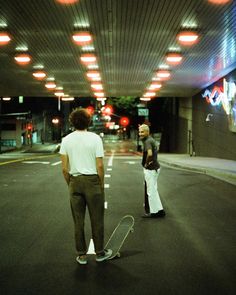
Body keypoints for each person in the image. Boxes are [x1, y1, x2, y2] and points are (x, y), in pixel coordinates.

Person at [59, 108, 112, 264]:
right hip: (92, 182)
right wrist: (100, 184)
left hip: (75, 181)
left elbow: (64, 168)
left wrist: (71, 183)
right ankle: (100, 253)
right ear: (88, 122)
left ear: (72, 122)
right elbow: (100, 166)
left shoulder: (66, 140)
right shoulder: (95, 138)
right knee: (97, 219)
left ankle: (81, 254)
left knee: (78, 220)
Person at [138, 124, 165, 218]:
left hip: (151, 169)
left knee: (150, 191)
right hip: (155, 168)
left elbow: (149, 154)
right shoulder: (150, 140)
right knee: (154, 189)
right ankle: (160, 210)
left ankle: (153, 212)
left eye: (142, 132)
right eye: (139, 131)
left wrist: (146, 164)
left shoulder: (148, 142)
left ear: (147, 132)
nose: (140, 133)